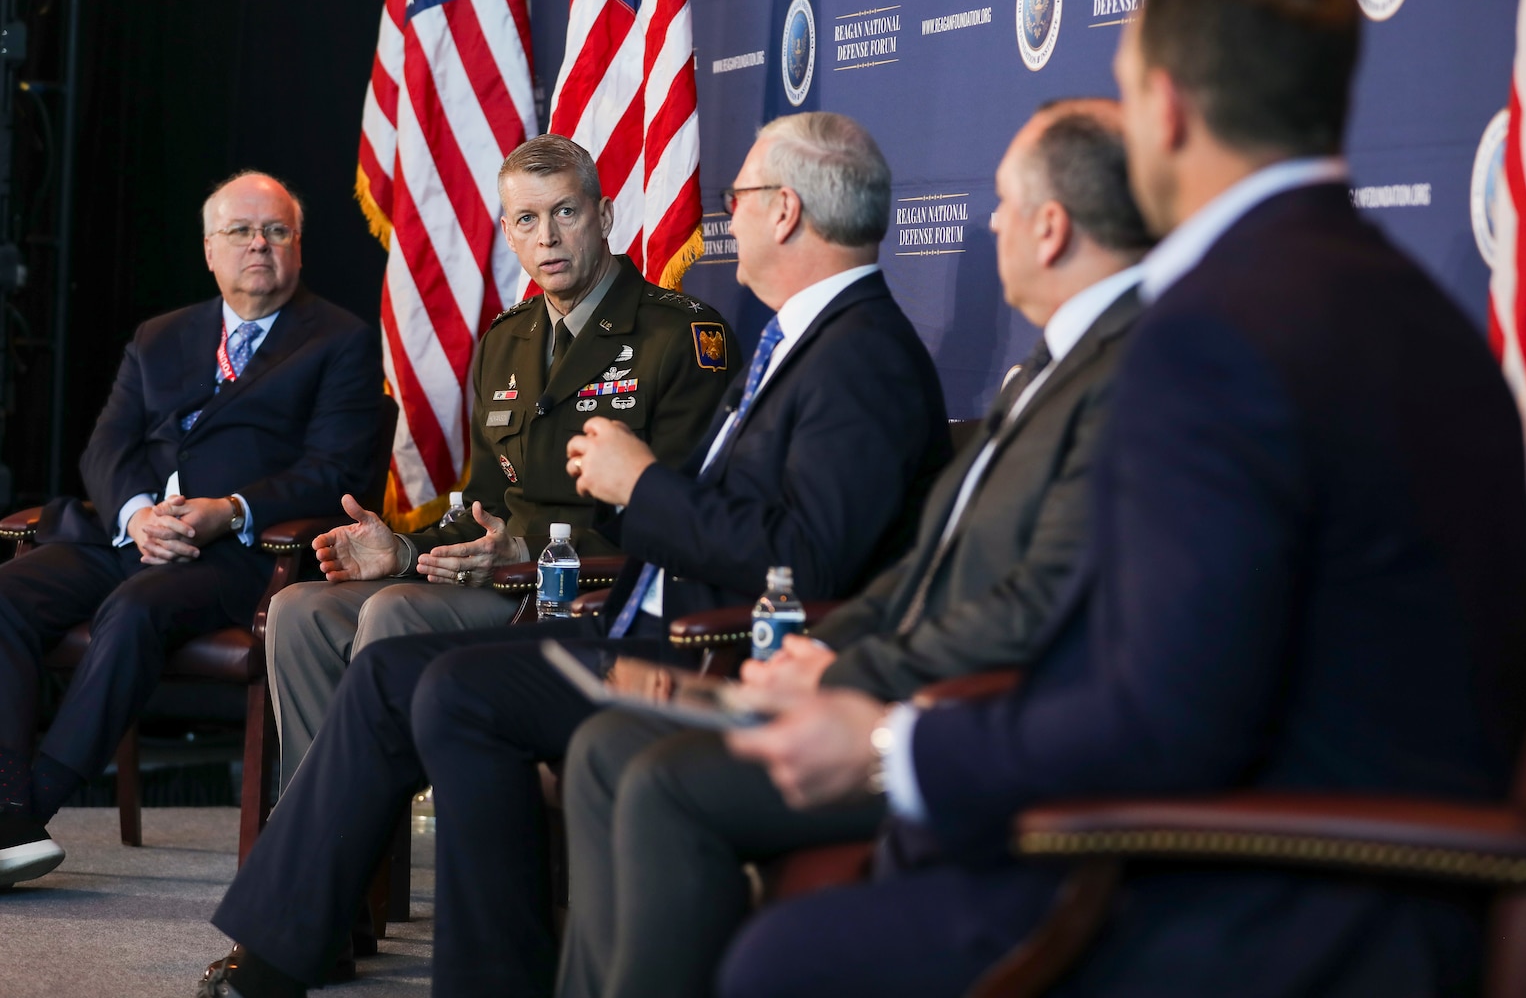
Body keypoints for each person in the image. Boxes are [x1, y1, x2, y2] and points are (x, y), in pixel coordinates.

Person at [723, 0, 1526, 998]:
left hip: (1280, 912)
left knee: (782, 964)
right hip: (1392, 894)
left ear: (1162, 108)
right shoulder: (1419, 313)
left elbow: (1160, 723)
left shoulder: (1211, 337)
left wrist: (890, 750)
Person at [199, 111, 952, 998]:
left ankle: (470, 972)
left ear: (784, 212)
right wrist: (403, 545)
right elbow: (499, 499)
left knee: (429, 673)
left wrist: (636, 489)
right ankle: (306, 942)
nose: (727, 217)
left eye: (739, 199)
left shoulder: (828, 353)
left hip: (681, 633)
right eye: (524, 218)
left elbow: (802, 562)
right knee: (391, 666)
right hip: (639, 610)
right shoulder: (792, 344)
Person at [556, 98, 1153, 998]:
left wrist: (848, 678)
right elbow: (927, 568)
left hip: (957, 724)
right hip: (862, 671)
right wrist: (819, 654)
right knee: (606, 747)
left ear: (1052, 226)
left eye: (999, 202)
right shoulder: (1043, 369)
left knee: (656, 780)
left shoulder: (1124, 376)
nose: (986, 223)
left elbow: (1034, 606)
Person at [265, 135, 733, 783]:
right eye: (526, 220)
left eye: (565, 213)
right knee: (300, 611)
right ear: (509, 236)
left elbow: (683, 522)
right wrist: (401, 550)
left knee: (394, 610)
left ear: (603, 217)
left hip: (590, 590)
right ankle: (316, 832)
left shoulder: (679, 336)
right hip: (500, 578)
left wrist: (526, 555)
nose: (548, 237)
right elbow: (482, 507)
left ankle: (354, 820)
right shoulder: (505, 342)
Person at [0, 172, 381, 887]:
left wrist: (229, 509)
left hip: (236, 558)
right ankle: (3, 802)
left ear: (298, 248)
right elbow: (104, 448)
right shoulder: (160, 336)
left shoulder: (339, 341)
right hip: (127, 538)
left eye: (276, 231)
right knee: (5, 595)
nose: (258, 245)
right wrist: (137, 514)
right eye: (241, 231)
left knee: (135, 610)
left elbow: (337, 469)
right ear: (210, 248)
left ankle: (30, 813)